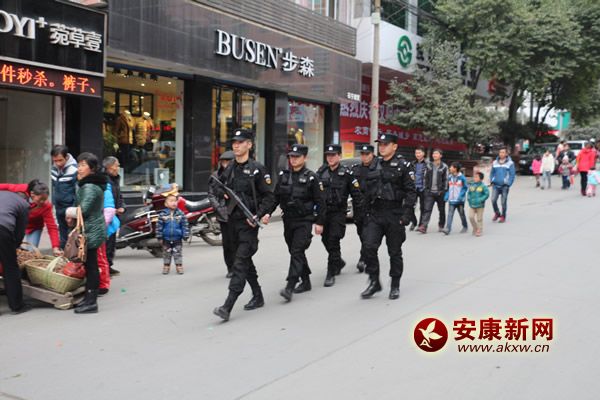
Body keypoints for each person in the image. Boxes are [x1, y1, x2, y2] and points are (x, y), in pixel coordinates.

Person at [213, 129, 274, 321]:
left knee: (239, 264)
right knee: (243, 261)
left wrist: (258, 215)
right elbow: (216, 186)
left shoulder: (257, 169)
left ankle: (227, 306)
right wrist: (223, 194)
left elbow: (269, 197)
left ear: (249, 145)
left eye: (240, 142)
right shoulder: (230, 167)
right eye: (234, 142)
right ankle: (258, 295)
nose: (236, 145)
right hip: (232, 222)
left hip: (249, 224)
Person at [360, 133, 416, 300]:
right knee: (368, 247)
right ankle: (374, 281)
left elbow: (411, 192)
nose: (382, 147)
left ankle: (395, 284)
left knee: (394, 252)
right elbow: (366, 189)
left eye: (386, 144)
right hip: (375, 213)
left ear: (394, 146)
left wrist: (406, 215)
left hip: (394, 213)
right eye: (381, 144)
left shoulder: (403, 166)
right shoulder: (374, 163)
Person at [268, 143, 325, 302]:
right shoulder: (284, 176)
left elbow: (320, 201)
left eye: (296, 157)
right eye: (291, 157)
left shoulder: (312, 177)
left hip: (304, 221)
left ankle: (290, 286)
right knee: (295, 252)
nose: (293, 160)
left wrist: (319, 222)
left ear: (305, 158)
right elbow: (275, 197)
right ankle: (305, 281)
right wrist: (267, 213)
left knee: (296, 251)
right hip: (288, 220)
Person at [66, 152, 108, 314]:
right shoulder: (89, 184)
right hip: (91, 229)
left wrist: (68, 212)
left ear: (92, 168)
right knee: (90, 265)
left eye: (83, 165)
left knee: (91, 266)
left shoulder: (89, 186)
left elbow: (83, 209)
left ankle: (91, 302)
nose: (79, 168)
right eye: (78, 165)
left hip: (91, 231)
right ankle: (89, 299)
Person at [316, 144, 362, 287]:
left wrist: (359, 215)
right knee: (325, 240)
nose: (330, 158)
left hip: (338, 213)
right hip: (324, 213)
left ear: (339, 156)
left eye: (333, 155)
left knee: (333, 240)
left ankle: (331, 273)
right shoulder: (321, 172)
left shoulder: (346, 173)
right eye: (328, 155)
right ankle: (338, 261)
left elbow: (356, 195)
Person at [0, 180, 61, 256]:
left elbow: (51, 227)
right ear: (32, 194)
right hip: (16, 225)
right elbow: (7, 186)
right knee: (10, 248)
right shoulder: (22, 189)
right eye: (40, 199)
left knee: (31, 252)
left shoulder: (46, 206)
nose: (42, 202)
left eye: (45, 199)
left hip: (34, 228)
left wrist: (55, 247)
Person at [0, 191, 31, 314]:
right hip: (2, 229)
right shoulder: (23, 205)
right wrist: (14, 247)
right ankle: (16, 305)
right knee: (10, 268)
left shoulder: (3, 194)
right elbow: (20, 231)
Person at [208, 150, 235, 278]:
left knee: (240, 242)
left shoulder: (239, 175)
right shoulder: (215, 176)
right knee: (228, 244)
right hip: (224, 214)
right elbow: (211, 194)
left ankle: (240, 266)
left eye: (228, 162)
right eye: (224, 162)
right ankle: (230, 268)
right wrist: (218, 208)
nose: (226, 165)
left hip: (238, 213)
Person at [350, 144, 375, 273]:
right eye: (363, 154)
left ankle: (363, 258)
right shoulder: (356, 169)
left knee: (368, 234)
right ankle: (366, 253)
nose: (364, 157)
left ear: (372, 154)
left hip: (373, 207)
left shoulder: (378, 168)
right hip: (359, 207)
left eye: (367, 154)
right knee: (361, 233)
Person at [50, 145, 78, 249]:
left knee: (72, 235)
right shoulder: (54, 168)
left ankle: (73, 255)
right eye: (55, 161)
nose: (58, 163)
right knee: (62, 233)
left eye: (60, 160)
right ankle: (63, 253)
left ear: (66, 157)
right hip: (58, 206)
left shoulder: (75, 170)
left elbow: (78, 192)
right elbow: (54, 188)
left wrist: (72, 211)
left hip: (70, 206)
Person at [156, 194, 189, 275]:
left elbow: (185, 225)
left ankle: (179, 266)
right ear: (166, 204)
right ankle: (166, 267)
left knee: (178, 253)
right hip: (166, 238)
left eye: (175, 201)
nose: (174, 203)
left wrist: (185, 235)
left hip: (177, 238)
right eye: (171, 201)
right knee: (166, 253)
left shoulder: (180, 214)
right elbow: (159, 226)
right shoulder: (162, 214)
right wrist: (159, 236)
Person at [102, 157, 125, 276]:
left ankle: (108, 266)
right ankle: (105, 267)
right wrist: (111, 210)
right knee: (106, 243)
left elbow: (119, 196)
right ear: (109, 167)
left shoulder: (115, 179)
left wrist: (122, 207)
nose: (118, 168)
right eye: (116, 165)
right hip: (106, 216)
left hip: (114, 215)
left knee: (111, 243)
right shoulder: (104, 180)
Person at [418, 148, 448, 234]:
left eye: (436, 153)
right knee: (427, 209)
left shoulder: (444, 166)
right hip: (429, 192)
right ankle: (424, 226)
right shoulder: (429, 165)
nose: (434, 155)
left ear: (440, 155)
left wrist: (443, 190)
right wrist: (426, 189)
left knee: (441, 210)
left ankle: (441, 225)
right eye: (434, 154)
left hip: (440, 192)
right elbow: (425, 178)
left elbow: (446, 179)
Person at [489, 147, 515, 223]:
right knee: (493, 200)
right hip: (495, 185)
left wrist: (508, 183)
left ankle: (503, 216)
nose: (501, 154)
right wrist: (492, 180)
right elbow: (492, 173)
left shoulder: (510, 163)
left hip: (504, 186)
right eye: (500, 152)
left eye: (503, 152)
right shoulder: (495, 162)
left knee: (503, 202)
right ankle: (497, 213)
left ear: (506, 154)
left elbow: (512, 175)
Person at [442, 162, 468, 235]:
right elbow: (448, 188)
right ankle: (448, 229)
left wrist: (461, 195)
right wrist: (446, 196)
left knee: (462, 214)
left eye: (451, 167)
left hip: (460, 201)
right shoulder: (449, 177)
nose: (450, 168)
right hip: (451, 200)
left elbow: (465, 188)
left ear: (455, 169)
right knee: (450, 214)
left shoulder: (462, 178)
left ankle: (465, 226)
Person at [410, 146, 428, 231]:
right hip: (413, 188)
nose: (417, 154)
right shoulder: (412, 163)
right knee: (410, 206)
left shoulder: (428, 164)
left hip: (423, 188)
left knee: (423, 208)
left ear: (423, 153)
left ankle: (421, 224)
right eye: (416, 153)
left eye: (419, 153)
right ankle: (414, 222)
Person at [467, 172, 489, 237]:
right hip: (472, 205)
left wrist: (481, 199)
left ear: (481, 179)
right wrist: (469, 199)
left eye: (476, 177)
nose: (475, 178)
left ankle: (479, 230)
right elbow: (469, 193)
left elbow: (486, 194)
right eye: (474, 177)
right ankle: (475, 228)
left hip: (480, 205)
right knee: (471, 217)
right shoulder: (472, 185)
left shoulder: (483, 186)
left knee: (479, 219)